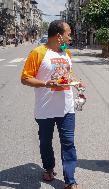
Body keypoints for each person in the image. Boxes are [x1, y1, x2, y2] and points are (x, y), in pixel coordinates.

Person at [21, 20, 80, 189]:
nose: (71, 36)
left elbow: (67, 76)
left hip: (66, 107)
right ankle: (48, 167)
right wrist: (46, 84)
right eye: (69, 33)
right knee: (45, 142)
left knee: (68, 142)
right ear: (59, 35)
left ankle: (70, 180)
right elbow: (25, 78)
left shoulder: (66, 53)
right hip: (45, 108)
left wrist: (76, 82)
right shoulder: (38, 52)